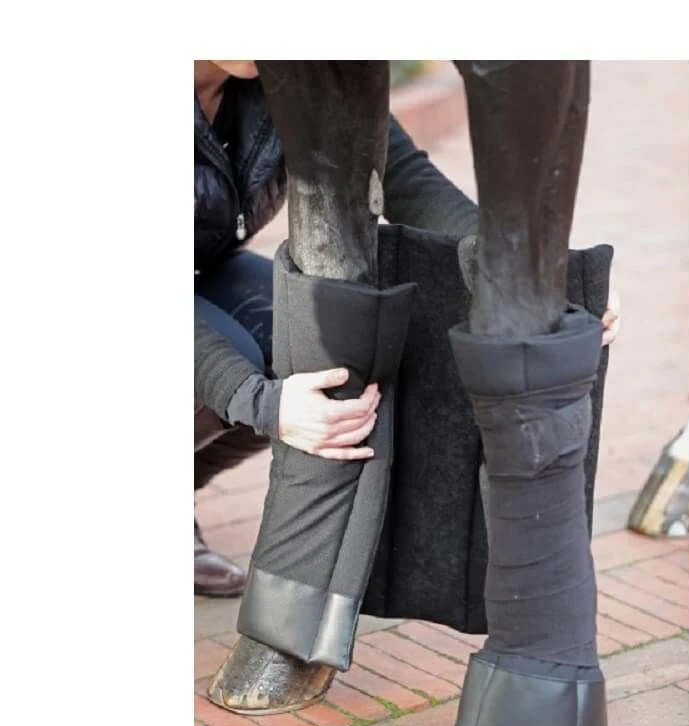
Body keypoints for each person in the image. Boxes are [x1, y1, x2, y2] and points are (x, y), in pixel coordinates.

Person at [194, 59, 619, 596]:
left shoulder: (289, 69)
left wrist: (545, 274)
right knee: (240, 371)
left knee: (313, 347)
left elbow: (408, 183)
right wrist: (257, 400)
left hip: (206, 270)